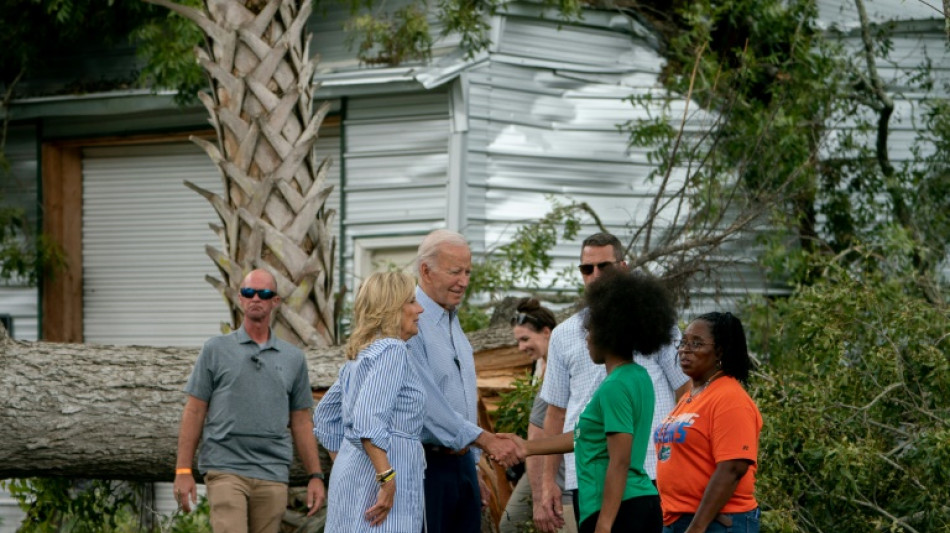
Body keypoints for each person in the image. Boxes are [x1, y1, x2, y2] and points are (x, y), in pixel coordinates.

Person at [314, 229, 521, 533]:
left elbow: (326, 416)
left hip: (456, 464)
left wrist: (352, 468)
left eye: (467, 272)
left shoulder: (366, 352)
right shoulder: (397, 345)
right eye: (455, 271)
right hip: (421, 469)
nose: (464, 280)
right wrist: (381, 474)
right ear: (425, 270)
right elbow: (373, 419)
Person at [504, 270, 676, 533]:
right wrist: (527, 447)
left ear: (610, 333)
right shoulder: (638, 377)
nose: (586, 339)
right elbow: (586, 435)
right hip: (638, 501)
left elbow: (619, 460)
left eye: (590, 331)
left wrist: (605, 524)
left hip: (615, 508)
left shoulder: (614, 387)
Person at [539, 233, 688, 528]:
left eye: (603, 267)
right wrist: (547, 483)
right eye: (586, 268)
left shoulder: (653, 324)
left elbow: (686, 392)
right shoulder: (564, 334)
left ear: (623, 267)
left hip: (648, 471)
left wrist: (681, 460)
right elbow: (555, 412)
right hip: (589, 476)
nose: (594, 275)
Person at [173, 269, 326, 533]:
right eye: (248, 292)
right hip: (225, 469)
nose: (256, 298)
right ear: (240, 299)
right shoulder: (216, 349)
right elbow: (195, 410)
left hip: (272, 473)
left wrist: (316, 475)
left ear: (275, 301)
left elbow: (301, 420)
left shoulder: (293, 358)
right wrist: (183, 470)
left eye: (264, 293)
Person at [324, 272, 426, 532]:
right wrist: (386, 478)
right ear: (392, 308)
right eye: (412, 302)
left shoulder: (360, 356)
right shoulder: (392, 351)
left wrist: (351, 462)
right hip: (382, 481)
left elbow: (325, 417)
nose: (420, 309)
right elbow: (368, 419)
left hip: (355, 477)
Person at [654, 312, 762, 533]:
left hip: (716, 522)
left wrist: (698, 526)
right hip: (678, 520)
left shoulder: (730, 398)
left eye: (697, 344)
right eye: (683, 342)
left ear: (720, 351)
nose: (685, 350)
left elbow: (733, 467)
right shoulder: (690, 397)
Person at [499, 298, 579, 533]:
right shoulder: (540, 365)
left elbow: (547, 425)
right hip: (537, 459)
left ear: (546, 332)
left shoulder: (561, 363)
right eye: (518, 341)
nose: (521, 348)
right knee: (510, 524)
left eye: (525, 339)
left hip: (561, 464)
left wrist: (541, 494)